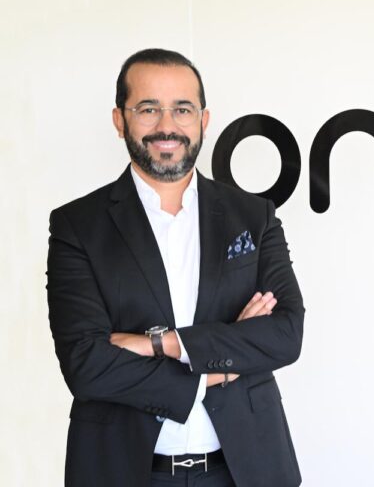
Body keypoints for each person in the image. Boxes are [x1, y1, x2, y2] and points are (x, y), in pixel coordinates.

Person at [46, 48, 304, 487]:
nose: (167, 126)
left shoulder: (253, 216)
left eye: (182, 109)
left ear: (203, 120)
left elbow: (285, 334)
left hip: (246, 471)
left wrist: (159, 343)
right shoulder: (78, 226)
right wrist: (218, 371)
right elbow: (86, 364)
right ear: (120, 120)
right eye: (148, 109)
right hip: (124, 472)